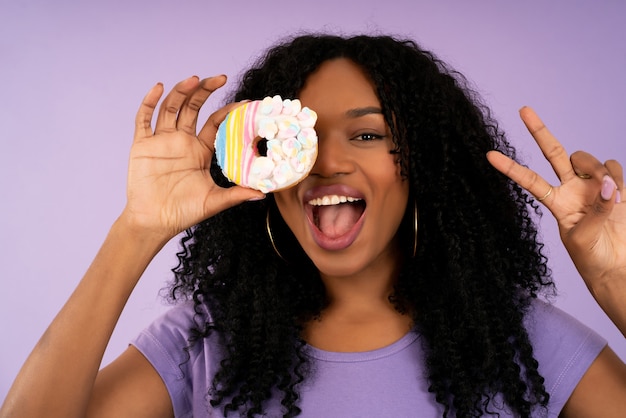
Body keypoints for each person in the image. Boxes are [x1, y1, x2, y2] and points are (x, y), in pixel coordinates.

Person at [1, 33, 625, 418]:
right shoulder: (206, 342)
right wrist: (136, 229)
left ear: (425, 167)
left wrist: (619, 283)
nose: (326, 161)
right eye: (294, 139)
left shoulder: (518, 339)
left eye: (367, 134)